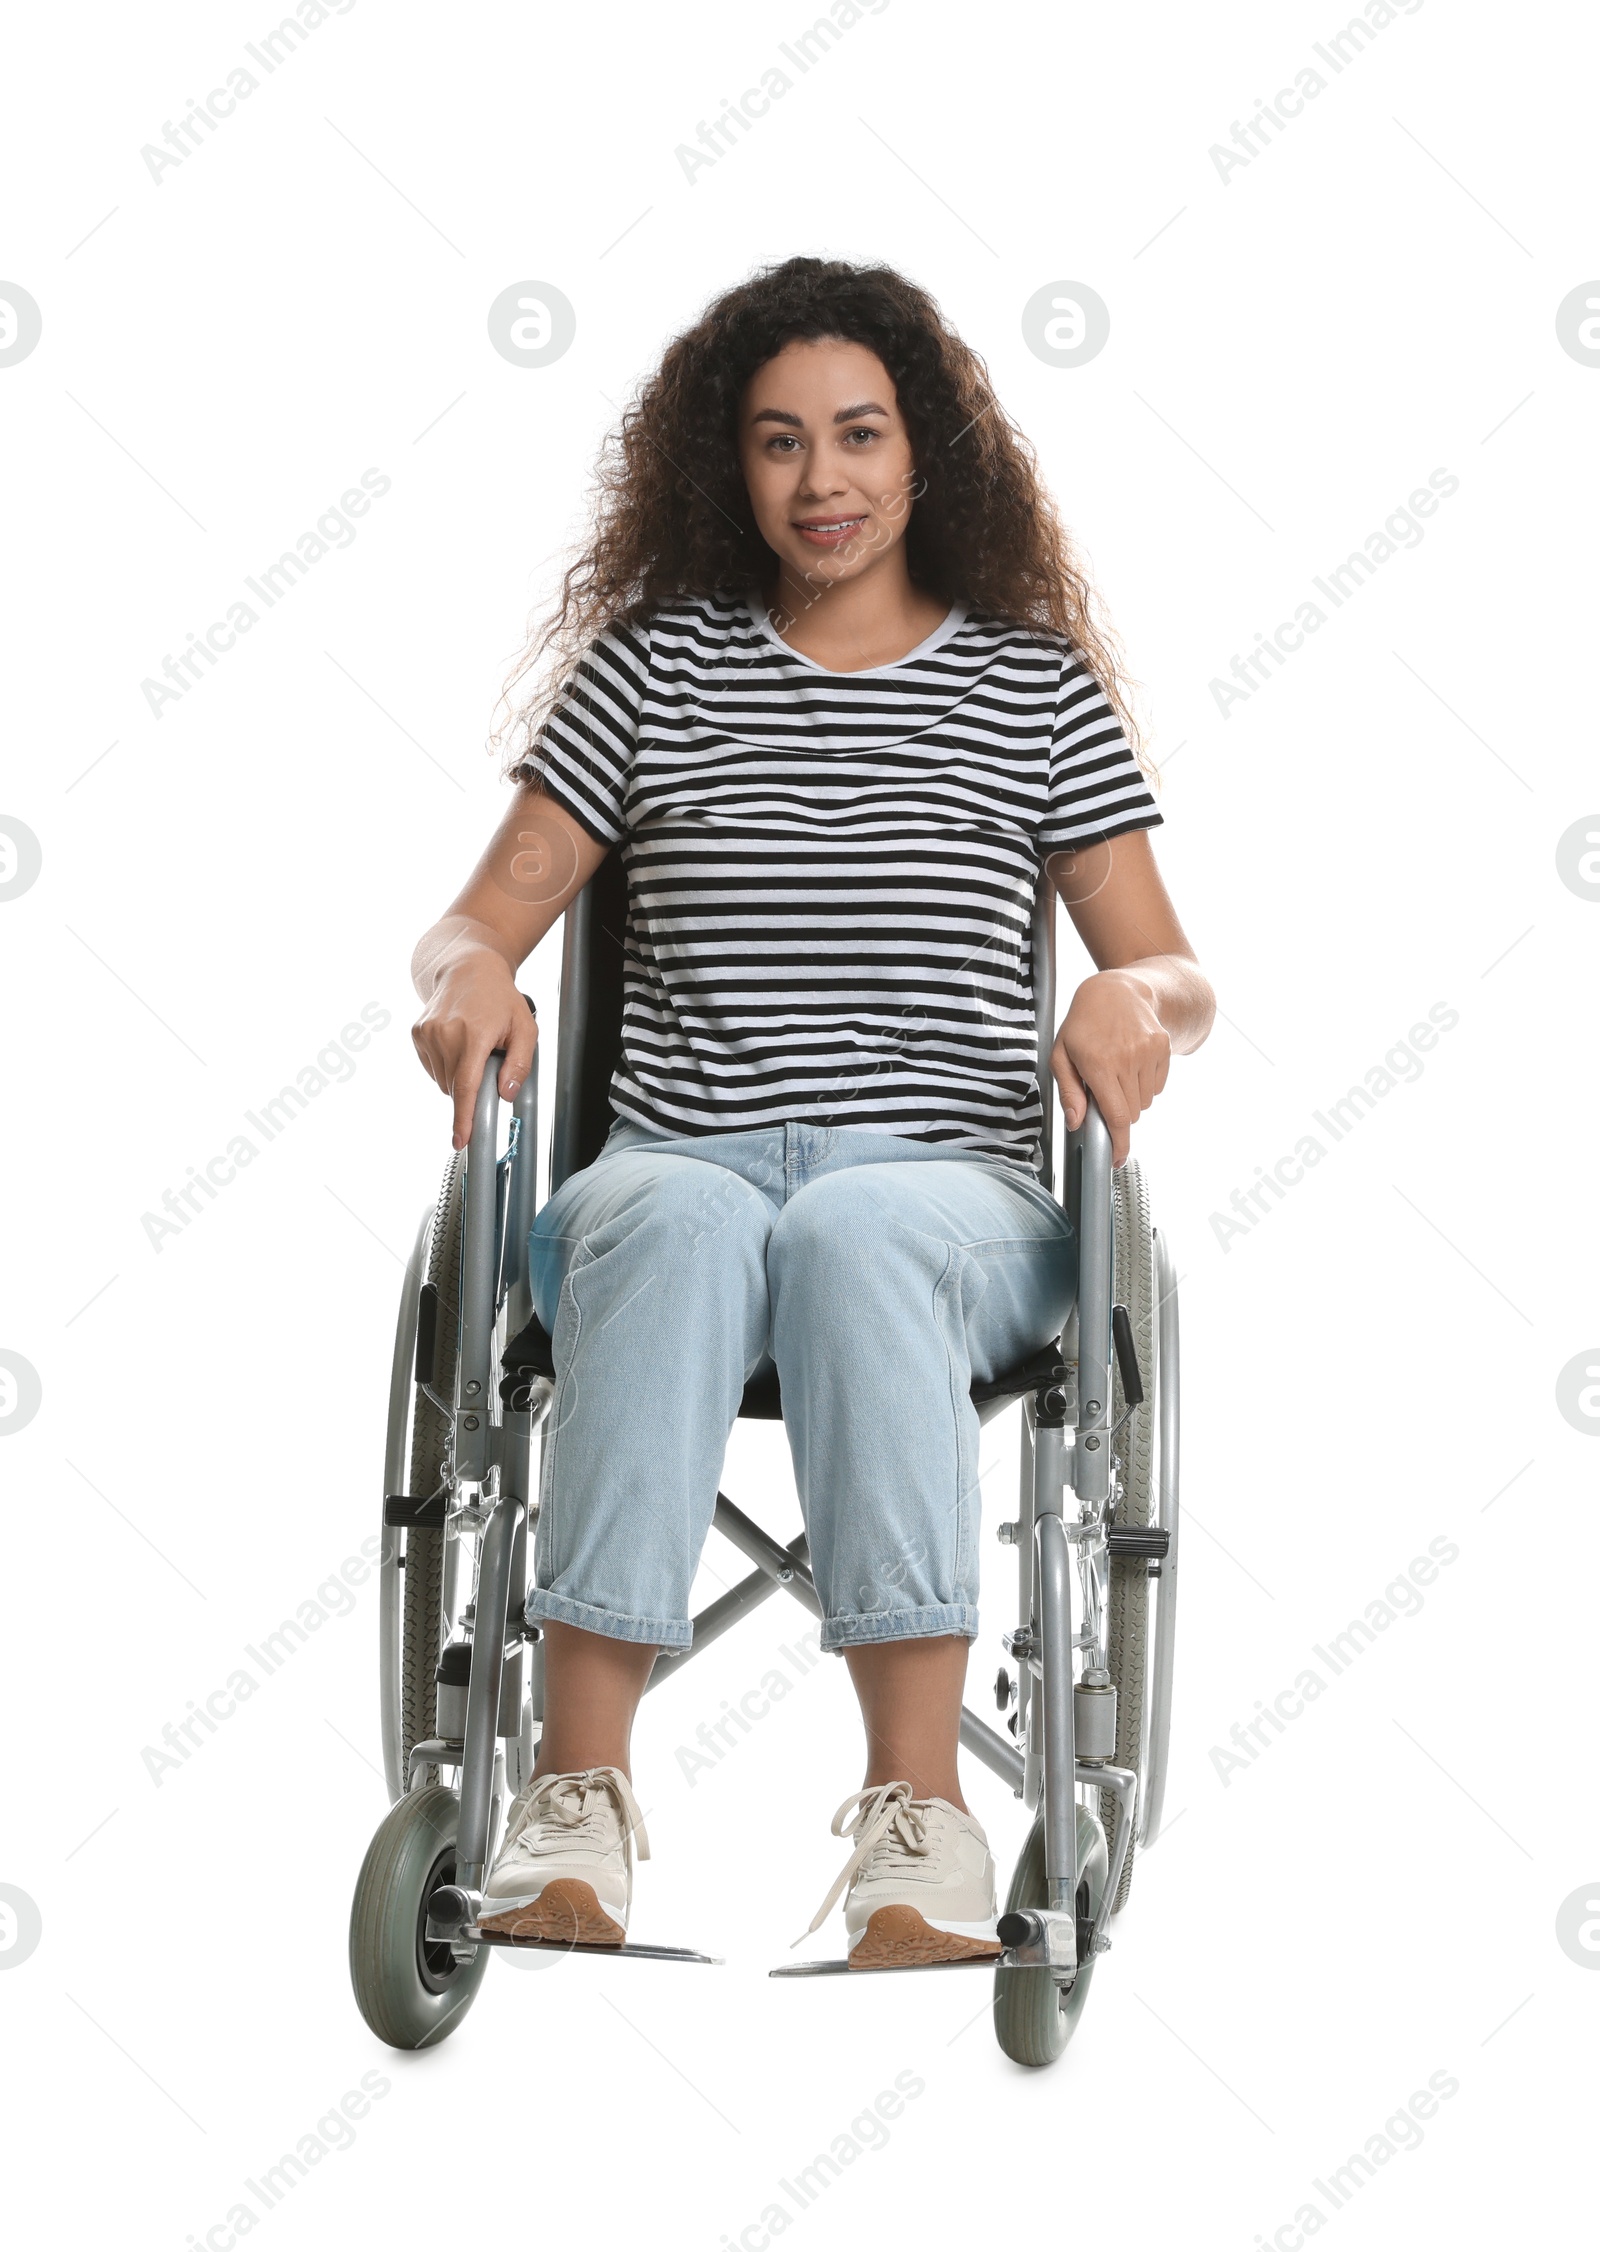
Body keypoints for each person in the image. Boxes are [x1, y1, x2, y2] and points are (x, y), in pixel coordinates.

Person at [409, 256, 1214, 1968]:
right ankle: (572, 1805)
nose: (822, 480)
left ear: (930, 455)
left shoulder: (1029, 687)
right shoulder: (654, 675)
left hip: (951, 1198)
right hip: (680, 1167)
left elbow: (1177, 972)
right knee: (682, 1216)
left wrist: (1120, 996)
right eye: (780, 445)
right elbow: (483, 917)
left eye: (858, 436)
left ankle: (919, 1820)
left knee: (855, 1227)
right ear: (733, 467)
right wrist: (468, 977)